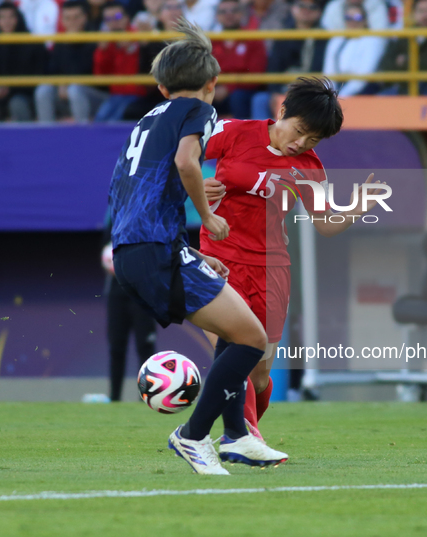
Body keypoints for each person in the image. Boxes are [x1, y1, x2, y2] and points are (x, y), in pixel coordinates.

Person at [109, 18, 287, 475]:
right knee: (250, 338)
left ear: (162, 85)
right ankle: (192, 436)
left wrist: (188, 252)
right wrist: (206, 217)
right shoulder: (200, 111)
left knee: (237, 333)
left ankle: (239, 436)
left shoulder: (146, 119)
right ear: (212, 84)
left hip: (137, 249)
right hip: (155, 249)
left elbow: (128, 189)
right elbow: (188, 162)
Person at [201, 77, 383, 439]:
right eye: (299, 131)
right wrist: (194, 190)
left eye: (312, 139)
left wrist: (358, 207)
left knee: (259, 374)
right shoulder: (233, 132)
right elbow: (177, 161)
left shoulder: (310, 167)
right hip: (217, 259)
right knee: (234, 353)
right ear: (281, 111)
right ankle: (244, 439)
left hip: (271, 271)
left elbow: (325, 224)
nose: (300, 143)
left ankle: (244, 433)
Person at [101, 210, 157, 402]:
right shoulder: (114, 217)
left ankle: (146, 397)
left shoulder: (150, 218)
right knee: (116, 347)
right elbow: (106, 250)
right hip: (117, 294)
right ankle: (114, 398)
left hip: (143, 293)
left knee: (145, 347)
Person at [251, 0, 327, 120]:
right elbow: (273, 68)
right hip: (283, 88)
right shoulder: (283, 35)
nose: (306, 10)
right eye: (301, 6)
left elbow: (322, 69)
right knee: (260, 100)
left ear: (319, 12)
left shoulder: (324, 37)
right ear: (292, 8)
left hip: (311, 90)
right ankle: (262, 137)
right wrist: (274, 92)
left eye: (312, 7)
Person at [35, 1, 106, 122]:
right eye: (67, 18)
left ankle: (82, 135)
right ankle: (46, 134)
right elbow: (53, 71)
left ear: (85, 17)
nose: (72, 22)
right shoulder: (60, 41)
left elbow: (96, 76)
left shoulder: (96, 38)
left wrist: (67, 83)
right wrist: (61, 83)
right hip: (66, 95)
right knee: (43, 90)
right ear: (62, 20)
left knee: (75, 90)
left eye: (76, 17)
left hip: (94, 96)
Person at [0, 2, 46, 122]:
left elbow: (38, 76)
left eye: (11, 17)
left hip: (24, 95)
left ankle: (25, 139)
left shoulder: (32, 43)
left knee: (17, 104)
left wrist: (10, 88)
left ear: (18, 18)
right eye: (2, 17)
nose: (7, 21)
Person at [375, 0, 427, 95]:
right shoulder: (406, 34)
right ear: (413, 13)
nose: (425, 15)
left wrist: (404, 61)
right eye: (421, 11)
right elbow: (385, 64)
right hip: (400, 89)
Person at [211, 0, 267, 119]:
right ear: (217, 16)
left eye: (234, 11)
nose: (229, 14)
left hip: (244, 92)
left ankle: (241, 136)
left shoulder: (253, 38)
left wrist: (228, 88)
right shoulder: (211, 41)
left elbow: (256, 73)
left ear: (242, 14)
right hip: (216, 89)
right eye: (223, 11)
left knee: (238, 97)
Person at [93, 1, 145, 121]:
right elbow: (100, 76)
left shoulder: (140, 35)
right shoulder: (106, 41)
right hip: (114, 95)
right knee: (99, 120)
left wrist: (133, 46)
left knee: (115, 121)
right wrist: (102, 51)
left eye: (117, 17)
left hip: (137, 95)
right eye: (108, 19)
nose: (113, 22)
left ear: (127, 18)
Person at [323, 3, 387, 97]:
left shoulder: (372, 41)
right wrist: (329, 95)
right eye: (348, 18)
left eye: (357, 17)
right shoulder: (336, 40)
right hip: (338, 89)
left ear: (365, 20)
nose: (353, 21)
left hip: (364, 90)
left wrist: (340, 97)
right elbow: (329, 74)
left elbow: (362, 77)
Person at [321, 0, 389, 30]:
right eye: (348, 18)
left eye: (358, 18)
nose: (353, 21)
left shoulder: (376, 4)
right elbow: (329, 31)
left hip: (366, 42)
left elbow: (379, 34)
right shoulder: (334, 6)